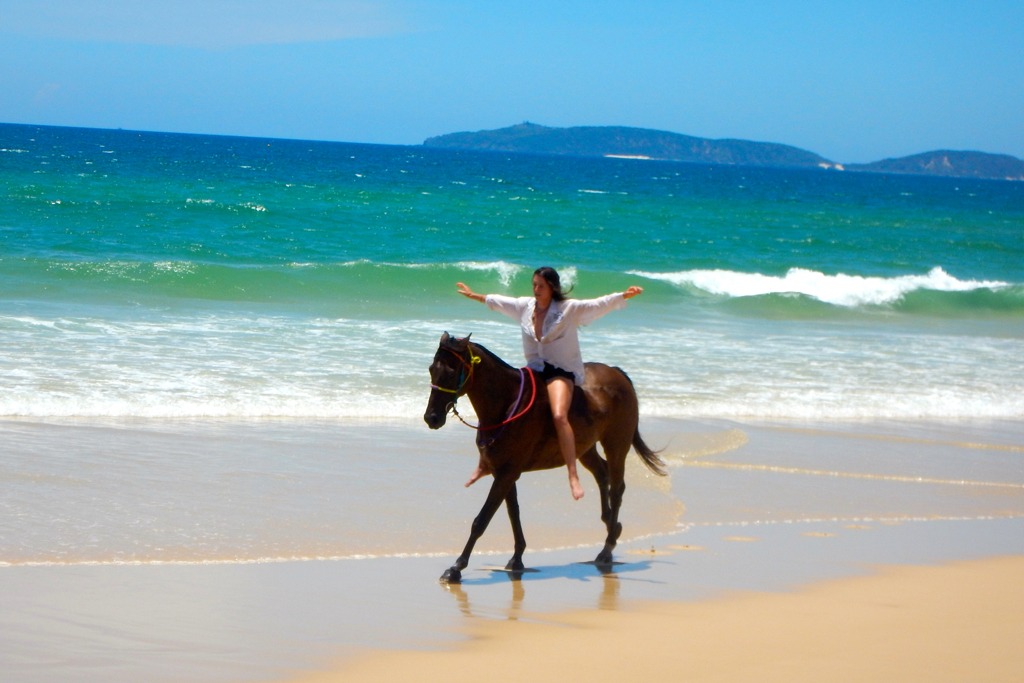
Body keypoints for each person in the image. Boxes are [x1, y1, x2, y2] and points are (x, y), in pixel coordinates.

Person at [456, 267, 644, 500]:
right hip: (533, 370)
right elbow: (501, 302)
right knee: (501, 407)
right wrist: (475, 295)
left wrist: (623, 296)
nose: (535, 290)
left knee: (558, 416)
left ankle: (573, 474)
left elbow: (597, 305)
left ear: (552, 288)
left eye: (540, 286)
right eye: (534, 285)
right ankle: (485, 464)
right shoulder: (526, 307)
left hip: (559, 373)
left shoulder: (568, 309)